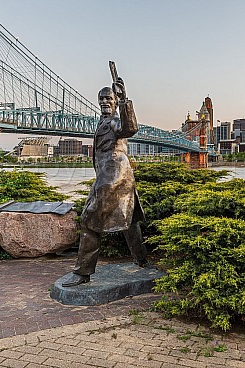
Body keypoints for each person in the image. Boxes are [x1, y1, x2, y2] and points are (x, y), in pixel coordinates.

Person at [62, 77, 147, 287]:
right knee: (129, 219)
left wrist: (125, 98)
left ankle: (83, 272)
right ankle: (142, 259)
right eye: (101, 99)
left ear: (115, 101)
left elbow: (130, 128)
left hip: (113, 176)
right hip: (118, 175)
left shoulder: (114, 122)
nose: (104, 102)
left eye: (109, 98)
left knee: (90, 221)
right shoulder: (103, 121)